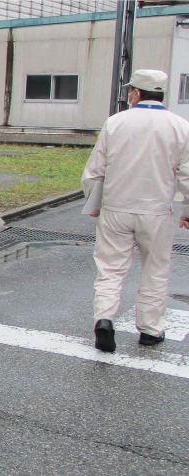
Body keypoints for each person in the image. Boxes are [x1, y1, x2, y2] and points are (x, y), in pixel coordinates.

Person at [82, 69, 189, 353]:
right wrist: (187, 209)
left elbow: (95, 170)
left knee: (110, 270)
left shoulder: (115, 122)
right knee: (155, 270)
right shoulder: (180, 126)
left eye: (131, 91)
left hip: (117, 208)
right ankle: (151, 330)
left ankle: (104, 319)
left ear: (136, 93)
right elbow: (187, 174)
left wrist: (93, 203)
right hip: (156, 211)